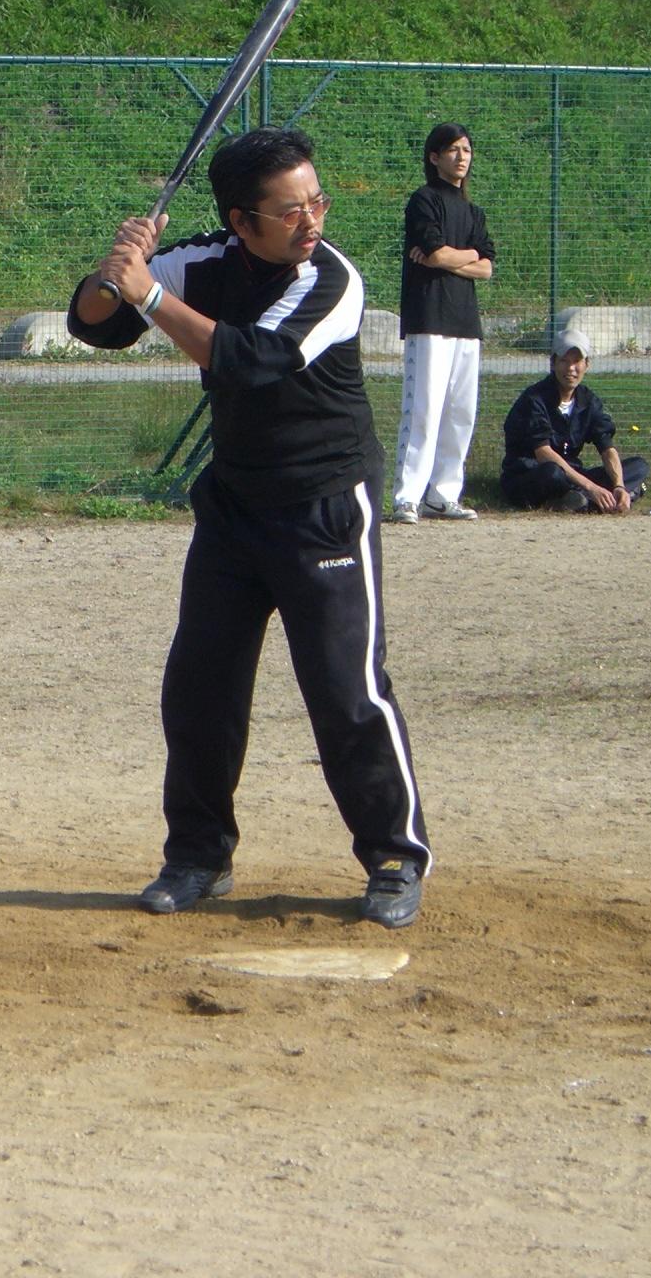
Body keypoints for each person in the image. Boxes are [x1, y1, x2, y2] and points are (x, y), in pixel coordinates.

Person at [66, 127, 431, 930]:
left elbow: (251, 360)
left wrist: (149, 295)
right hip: (235, 507)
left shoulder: (331, 278)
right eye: (291, 208)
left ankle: (396, 854)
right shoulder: (203, 260)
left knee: (345, 689)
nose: (312, 219)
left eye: (316, 200)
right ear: (240, 219)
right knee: (200, 688)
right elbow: (94, 323)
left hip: (324, 507)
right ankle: (198, 856)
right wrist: (114, 268)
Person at [390, 122, 495, 524]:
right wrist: (460, 257)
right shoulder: (423, 200)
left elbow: (486, 268)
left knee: (460, 412)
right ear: (434, 157)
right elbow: (433, 253)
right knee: (424, 409)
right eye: (453, 149)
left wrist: (456, 257)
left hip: (466, 323)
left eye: (466, 150)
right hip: (429, 317)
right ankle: (407, 497)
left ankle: (443, 494)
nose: (462, 157)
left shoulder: (474, 212)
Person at [499, 328, 649, 513]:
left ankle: (580, 501)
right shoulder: (534, 399)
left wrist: (619, 485)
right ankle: (587, 500)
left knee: (638, 467)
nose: (571, 368)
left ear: (587, 364)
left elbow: (606, 447)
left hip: (572, 475)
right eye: (564, 361)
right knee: (552, 472)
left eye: (577, 361)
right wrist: (591, 488)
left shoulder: (589, 401)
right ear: (553, 363)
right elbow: (543, 453)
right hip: (531, 476)